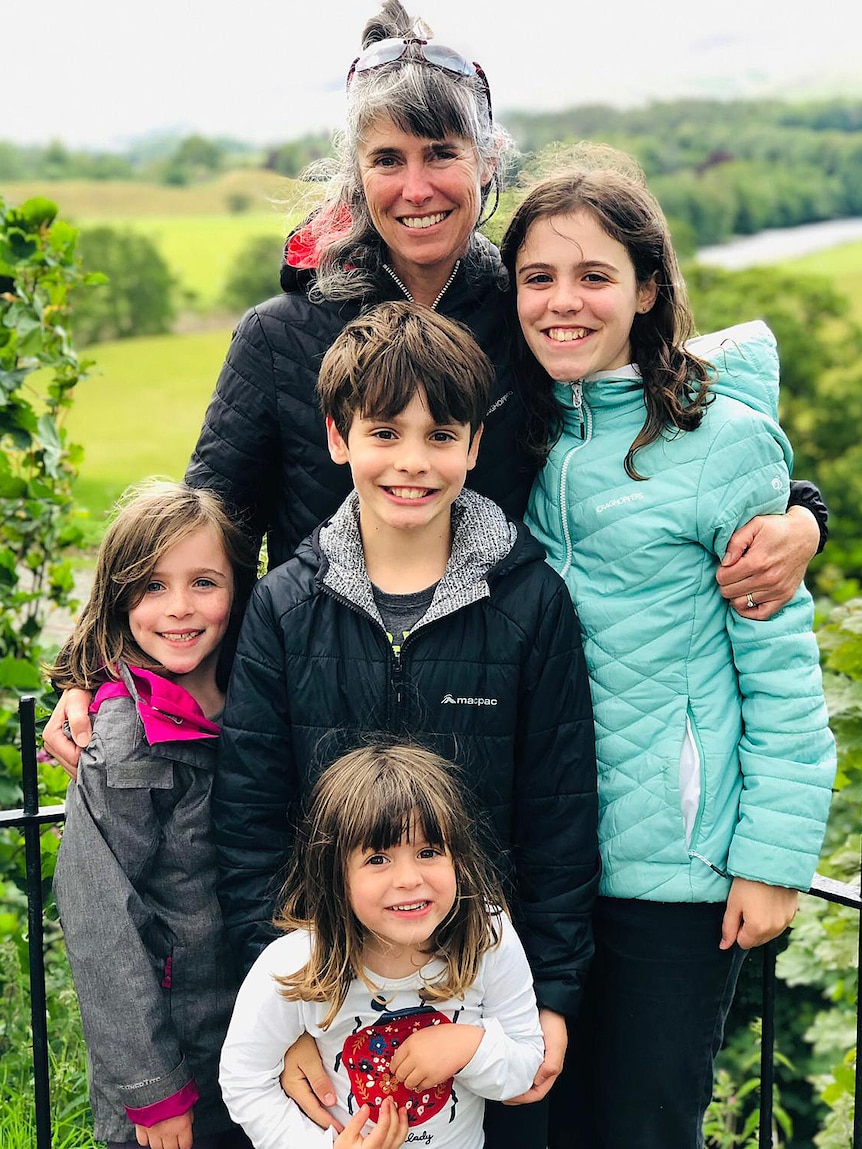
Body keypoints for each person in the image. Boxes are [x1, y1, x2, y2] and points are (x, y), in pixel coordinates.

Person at [41, 1, 828, 778]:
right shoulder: (281, 337)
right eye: (387, 160)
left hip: (495, 727)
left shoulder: (531, 313)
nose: (416, 187)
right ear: (357, 177)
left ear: (488, 164)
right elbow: (198, 531)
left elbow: (648, 420)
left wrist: (796, 510)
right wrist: (94, 664)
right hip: (319, 730)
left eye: (440, 153)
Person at [495, 145, 838, 1149]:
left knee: (641, 1126)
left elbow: (778, 671)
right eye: (539, 278)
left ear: (647, 289)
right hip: (530, 863)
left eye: (594, 276)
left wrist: (772, 860)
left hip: (673, 871)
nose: (564, 301)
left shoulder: (723, 441)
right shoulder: (506, 429)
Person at [212, 299, 600, 1146]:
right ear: (338, 437)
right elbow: (247, 822)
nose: (413, 462)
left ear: (473, 444)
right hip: (327, 1000)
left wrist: (555, 997)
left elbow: (562, 813)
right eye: (385, 433)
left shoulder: (531, 603)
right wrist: (281, 1006)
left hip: (484, 999)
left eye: (440, 435)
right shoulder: (283, 607)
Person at [50, 480, 257, 1149]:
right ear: (119, 598)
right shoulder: (120, 741)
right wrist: (154, 1088)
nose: (180, 609)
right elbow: (100, 923)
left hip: (257, 1058)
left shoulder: (257, 708)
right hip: (173, 1082)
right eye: (152, 586)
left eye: (204, 582)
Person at [218, 742, 546, 1149]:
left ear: (458, 860)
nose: (409, 878)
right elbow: (244, 1081)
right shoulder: (293, 964)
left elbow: (526, 1063)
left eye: (428, 852)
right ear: (335, 874)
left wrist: (469, 1046)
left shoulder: (487, 936)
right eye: (378, 859)